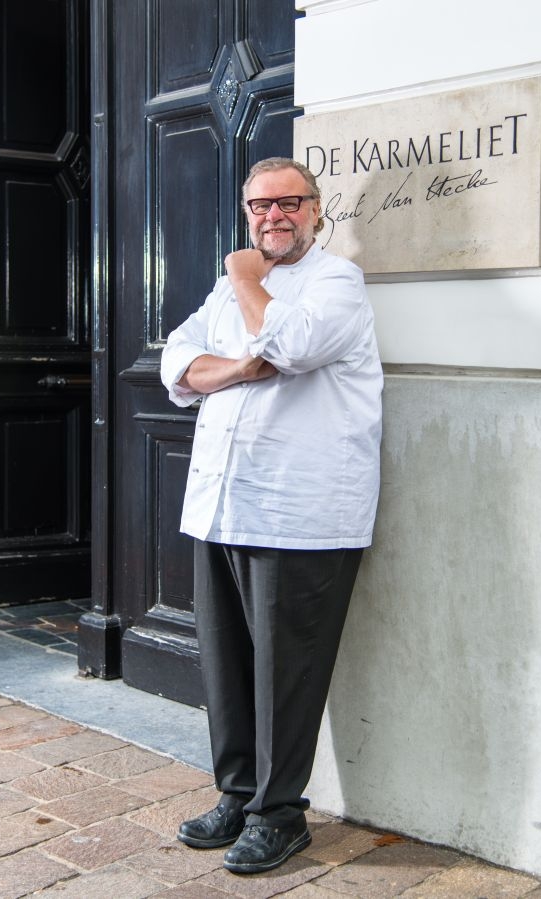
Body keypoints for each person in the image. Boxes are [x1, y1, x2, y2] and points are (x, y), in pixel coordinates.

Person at [160, 157, 383, 875]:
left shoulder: (336, 283)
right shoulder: (228, 288)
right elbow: (177, 363)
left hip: (299, 512)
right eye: (260, 205)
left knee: (286, 671)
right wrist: (235, 367)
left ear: (318, 209)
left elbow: (287, 346)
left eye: (290, 202)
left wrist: (250, 287)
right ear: (247, 212)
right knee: (227, 665)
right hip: (223, 503)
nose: (274, 215)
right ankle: (239, 792)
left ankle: (280, 813)